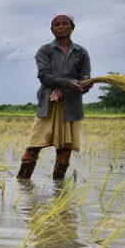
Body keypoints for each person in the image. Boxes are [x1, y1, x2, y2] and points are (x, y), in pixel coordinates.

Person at [16, 12, 93, 181]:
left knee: (65, 152)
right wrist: (67, 84)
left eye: (65, 23)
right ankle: (22, 183)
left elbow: (84, 79)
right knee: (33, 147)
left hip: (71, 106)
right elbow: (44, 76)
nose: (61, 27)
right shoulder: (45, 51)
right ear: (51, 29)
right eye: (56, 24)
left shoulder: (81, 53)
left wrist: (85, 85)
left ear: (73, 28)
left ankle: (59, 189)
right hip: (49, 104)